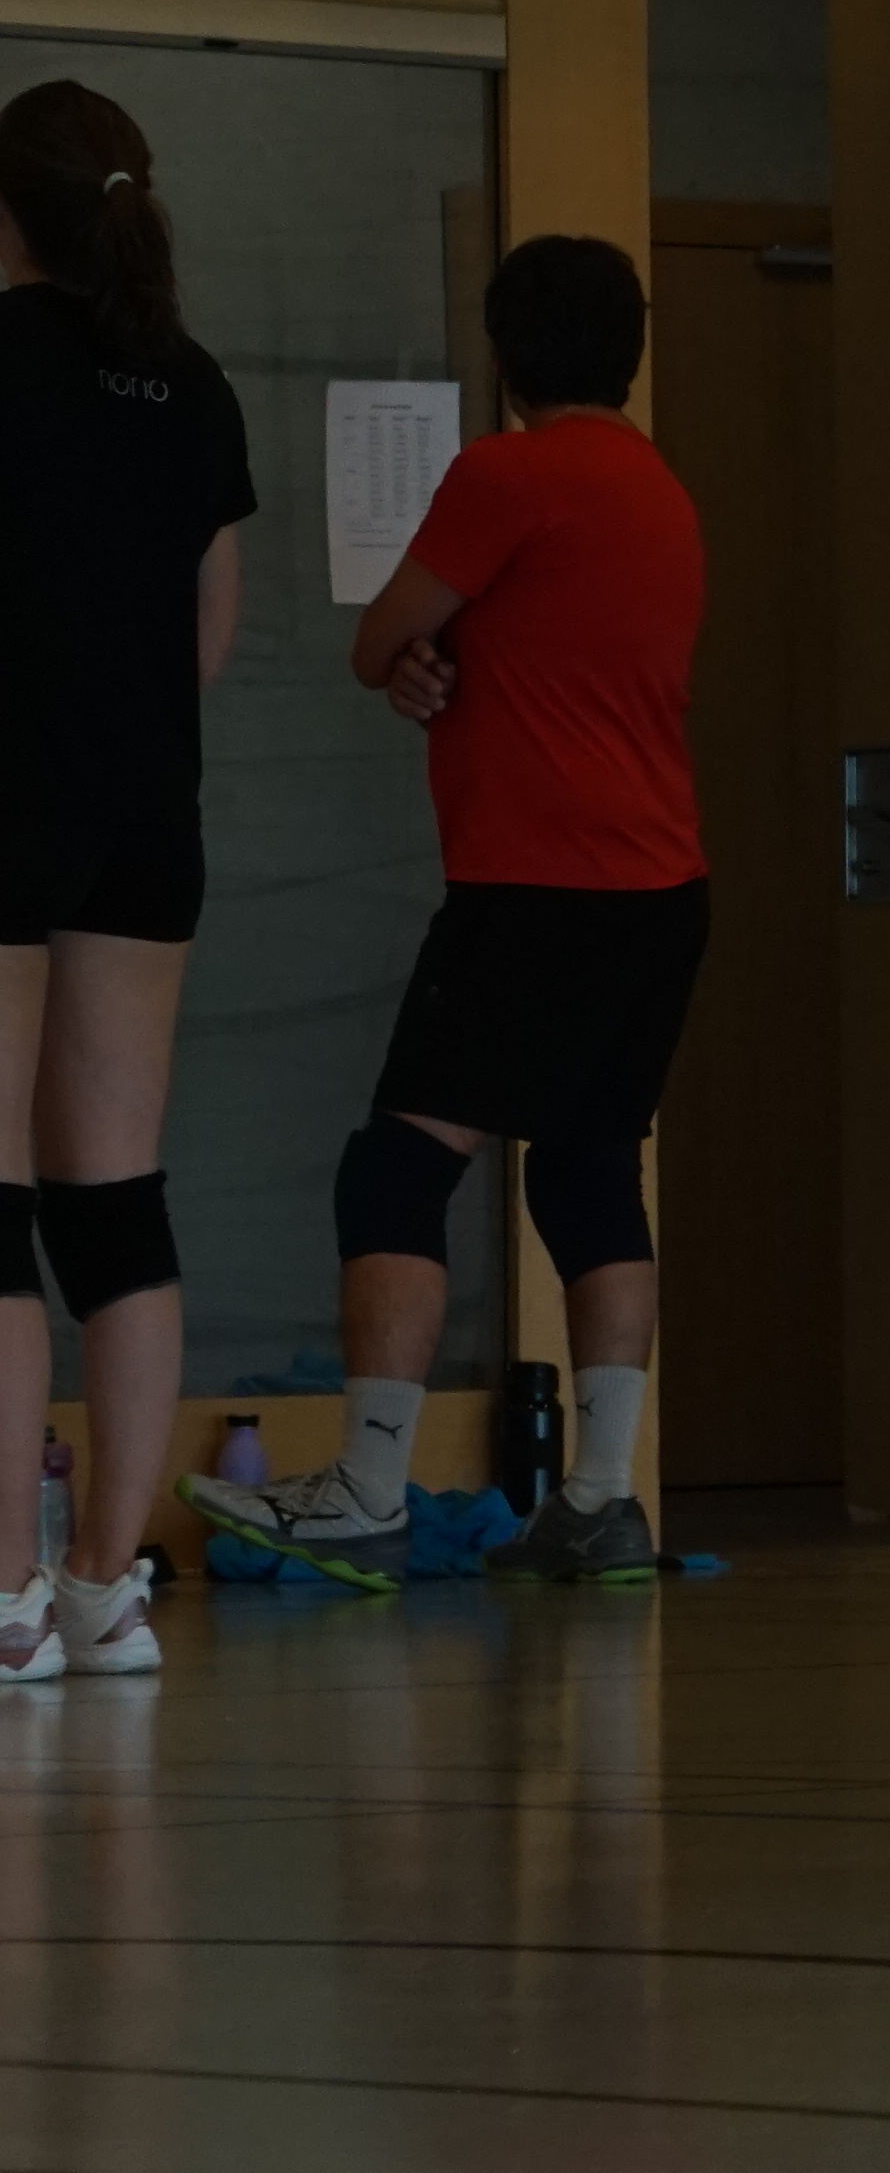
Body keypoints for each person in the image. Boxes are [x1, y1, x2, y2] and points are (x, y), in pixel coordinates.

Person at [182, 235, 705, 1593]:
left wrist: (418, 655)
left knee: (397, 1170)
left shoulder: (507, 475)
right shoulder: (662, 493)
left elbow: (377, 639)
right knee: (588, 1174)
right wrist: (446, 659)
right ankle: (603, 1498)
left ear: (506, 352)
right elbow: (533, 647)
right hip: (661, 891)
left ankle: (364, 1489)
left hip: (535, 888)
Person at [0, 82, 252, 1680]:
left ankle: (3, 1601)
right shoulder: (193, 381)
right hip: (149, 813)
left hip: (5, 799)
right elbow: (210, 625)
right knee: (115, 1202)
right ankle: (104, 1588)